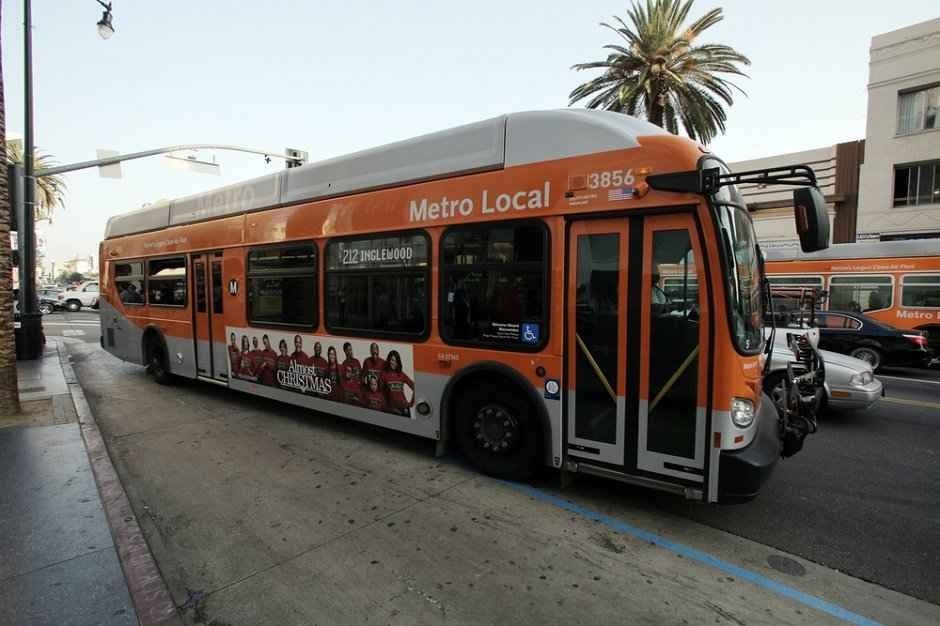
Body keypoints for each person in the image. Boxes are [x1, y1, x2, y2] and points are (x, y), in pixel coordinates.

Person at [382, 350, 414, 417]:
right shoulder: (384, 374)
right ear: (389, 360)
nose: (394, 363)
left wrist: (411, 403)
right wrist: (387, 408)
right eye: (392, 360)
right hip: (391, 410)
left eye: (396, 361)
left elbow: (415, 387)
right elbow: (381, 393)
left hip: (404, 410)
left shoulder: (401, 374)